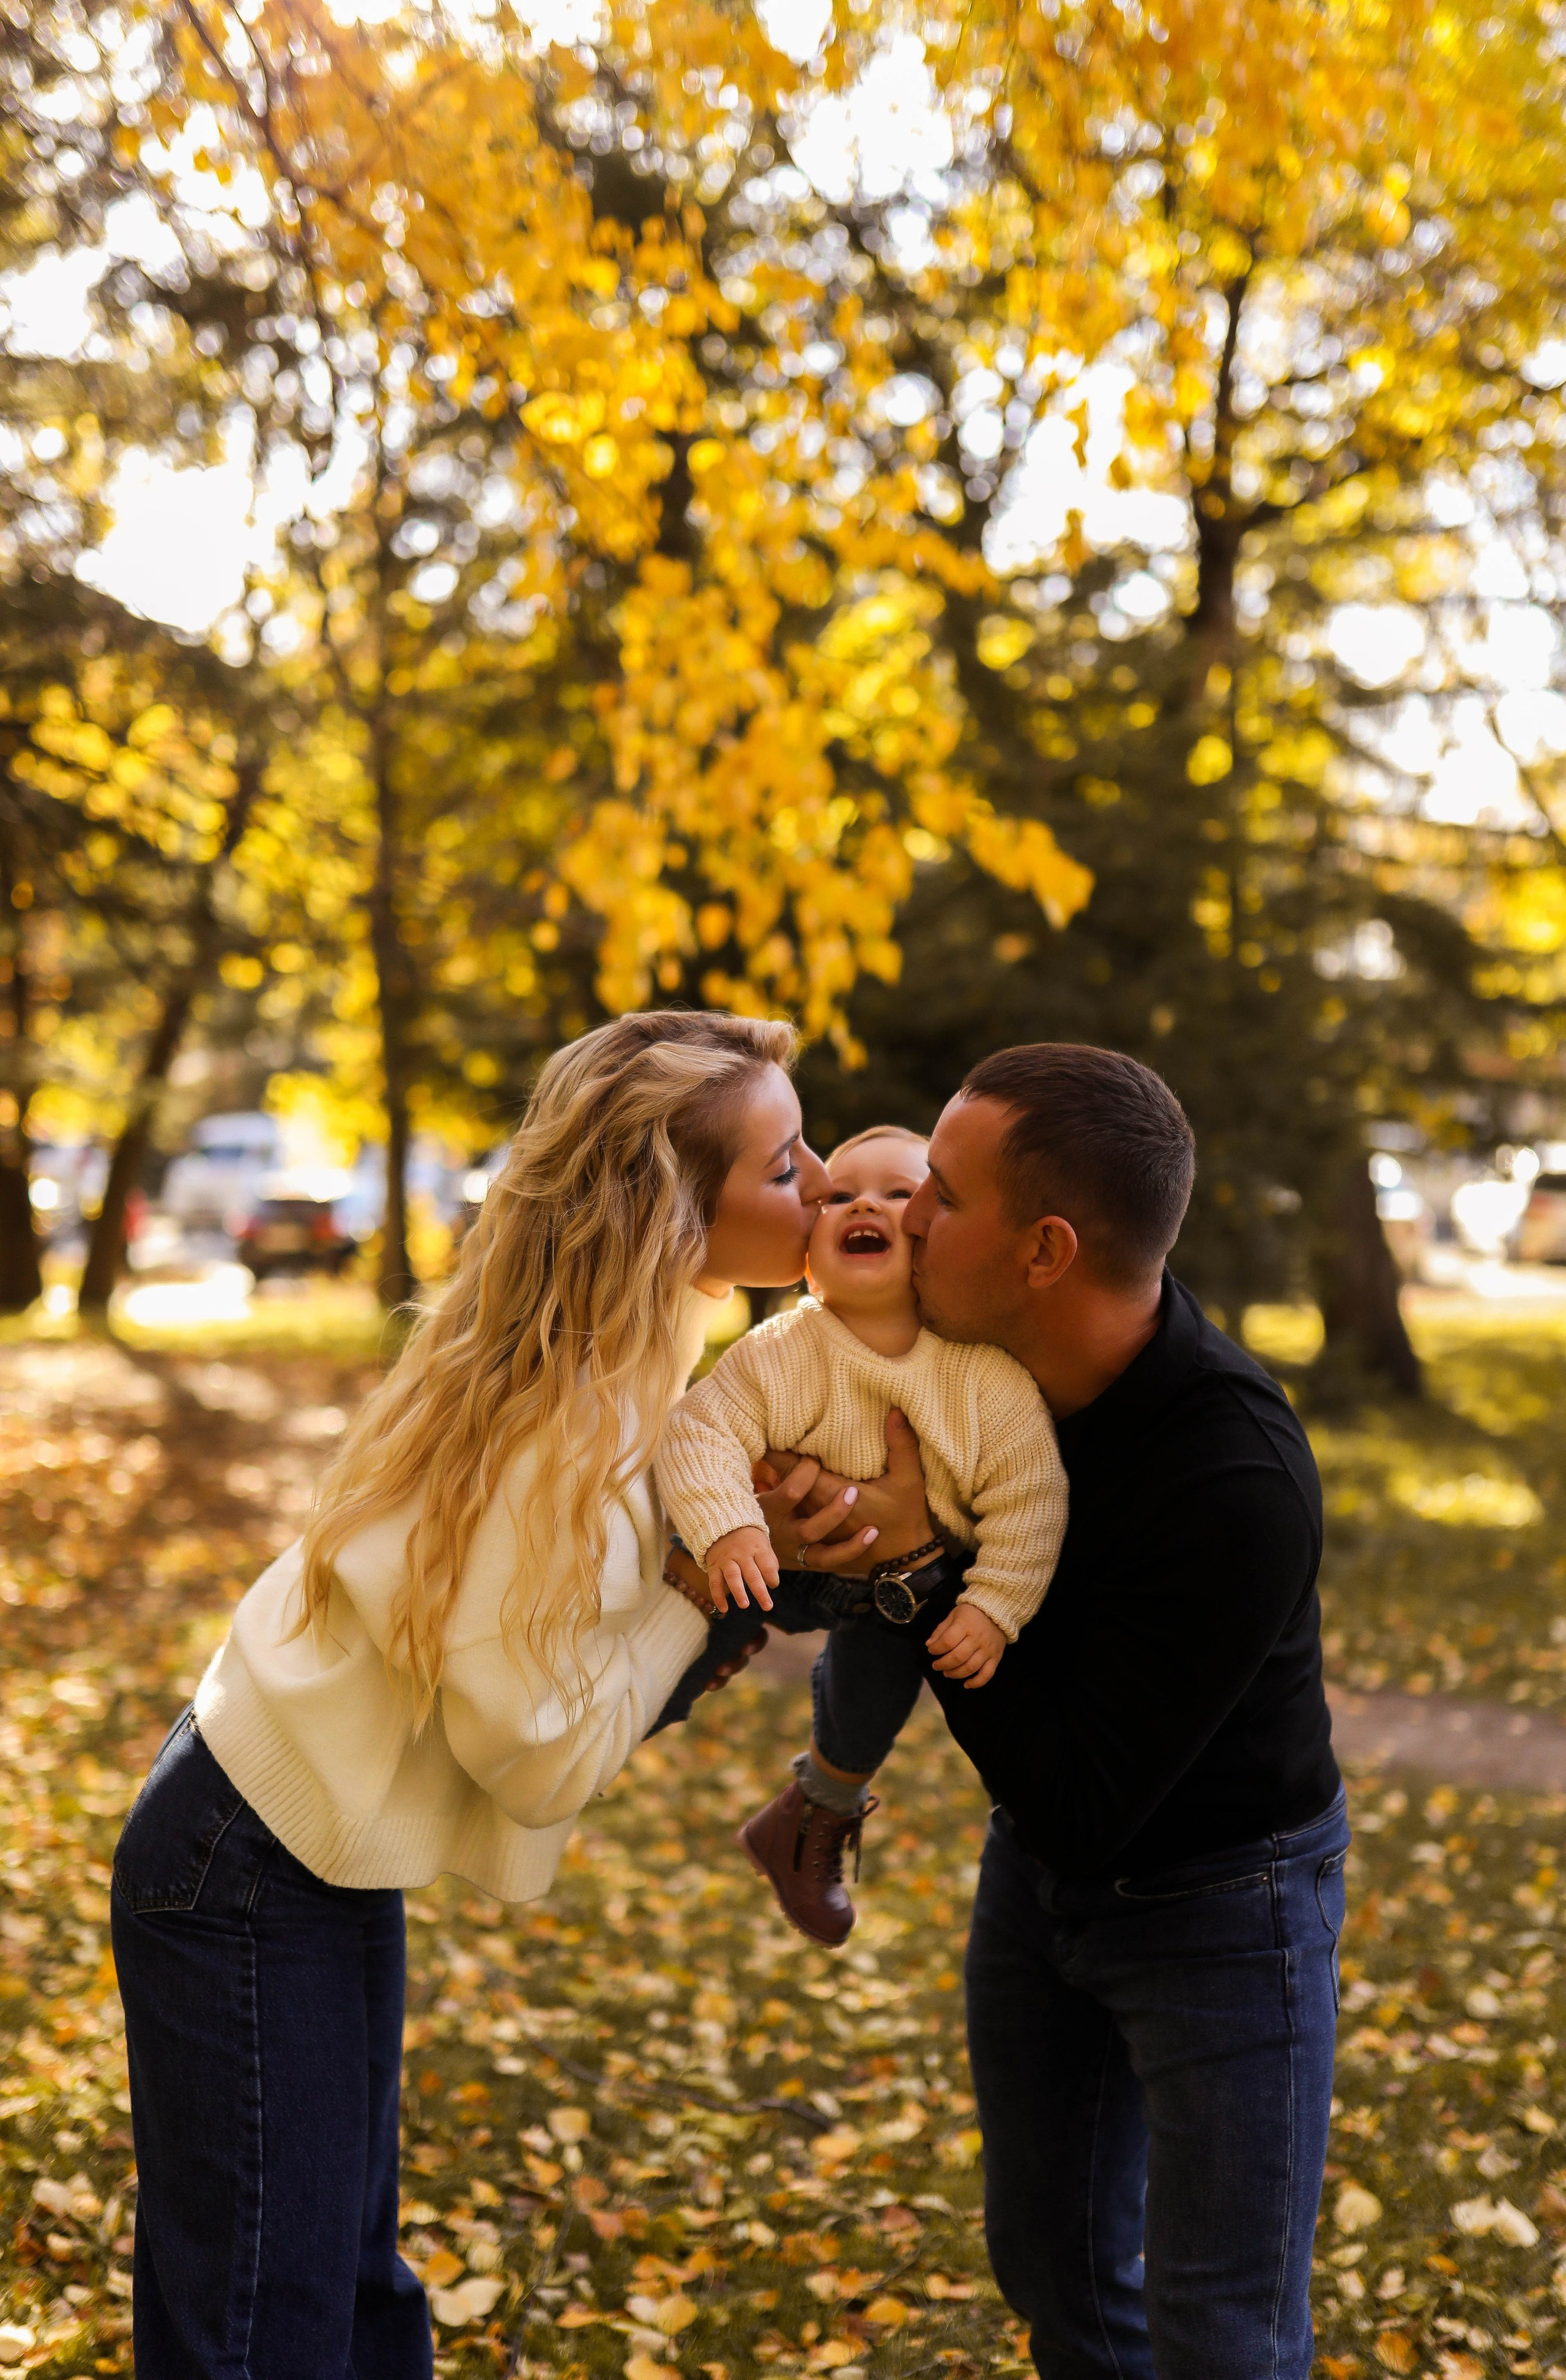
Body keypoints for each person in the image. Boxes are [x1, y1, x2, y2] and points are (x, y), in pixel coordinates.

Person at [108, 1009, 869, 2380]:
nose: (817, 1180)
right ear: (670, 1212)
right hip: (243, 1862)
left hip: (297, 1849)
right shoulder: (567, 1412)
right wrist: (701, 1590)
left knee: (346, 2286)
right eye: (780, 1162)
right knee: (264, 2322)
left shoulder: (626, 1358)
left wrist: (752, 1554)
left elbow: (604, 1639)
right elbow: (536, 1754)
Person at [761, 1044, 1344, 2380]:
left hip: (1221, 1907)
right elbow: (826, 1585)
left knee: (1223, 2329)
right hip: (1035, 1873)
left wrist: (918, 1570)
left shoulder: (1233, 1480)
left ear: (1043, 1251)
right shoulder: (965, 1382)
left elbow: (1088, 1801)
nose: (902, 1212)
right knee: (1054, 2262)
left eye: (941, 1196)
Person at [655, 1123, 1066, 1945]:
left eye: (897, 1194)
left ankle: (816, 1814)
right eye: (838, 1195)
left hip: (892, 1585)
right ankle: (604, 1724)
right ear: (810, 1250)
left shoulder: (983, 1378)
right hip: (771, 1559)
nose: (864, 1204)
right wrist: (727, 1529)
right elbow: (701, 1431)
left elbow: (1030, 1501)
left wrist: (993, 1608)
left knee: (892, 1651)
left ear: (932, 1241)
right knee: (689, 1632)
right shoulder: (780, 1351)